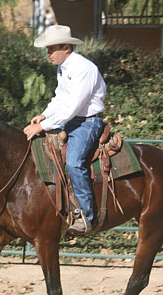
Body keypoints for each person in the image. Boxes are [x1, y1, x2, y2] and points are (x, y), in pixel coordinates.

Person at [23, 25, 106, 234]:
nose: (48, 54)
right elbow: (60, 98)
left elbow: (72, 107)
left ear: (66, 47)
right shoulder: (64, 67)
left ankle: (87, 216)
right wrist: (44, 115)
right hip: (71, 121)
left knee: (74, 162)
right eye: (47, 49)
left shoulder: (84, 69)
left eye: (51, 49)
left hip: (87, 123)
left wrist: (42, 125)